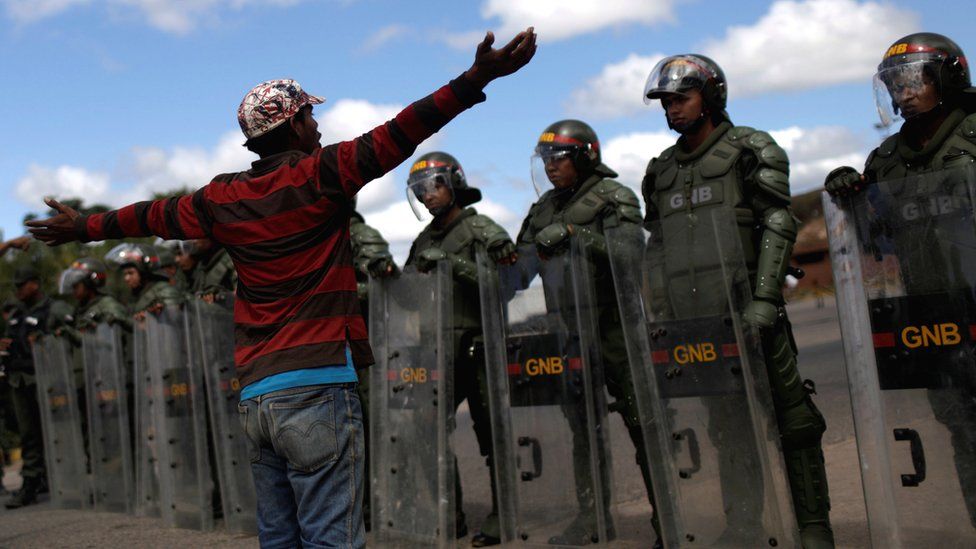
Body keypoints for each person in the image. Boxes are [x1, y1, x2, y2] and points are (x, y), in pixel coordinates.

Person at [26, 29, 536, 547]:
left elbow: (148, 216)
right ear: (293, 125)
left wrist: (83, 227)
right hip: (318, 385)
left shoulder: (221, 199)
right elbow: (404, 129)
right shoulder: (323, 174)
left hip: (256, 398)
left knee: (279, 537)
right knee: (330, 536)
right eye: (310, 117)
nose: (317, 126)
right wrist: (477, 77)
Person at [642, 54, 833, 547]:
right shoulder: (659, 170)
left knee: (794, 420)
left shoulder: (751, 148)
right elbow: (657, 246)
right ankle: (744, 524)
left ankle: (813, 528)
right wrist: (659, 311)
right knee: (727, 428)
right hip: (697, 322)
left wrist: (766, 298)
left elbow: (778, 220)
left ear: (711, 97)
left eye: (681, 98)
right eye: (665, 102)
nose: (671, 110)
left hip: (751, 308)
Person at [825, 32, 976, 530]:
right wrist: (851, 198)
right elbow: (878, 245)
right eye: (895, 82)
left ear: (947, 78)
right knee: (962, 432)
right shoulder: (885, 161)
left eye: (914, 79)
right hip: (935, 320)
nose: (903, 91)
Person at [519, 119, 653, 545]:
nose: (551, 167)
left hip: (617, 326)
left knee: (645, 422)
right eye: (546, 159)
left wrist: (579, 234)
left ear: (585, 155)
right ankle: (592, 518)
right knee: (583, 429)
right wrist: (499, 256)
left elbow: (631, 255)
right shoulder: (541, 210)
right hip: (570, 330)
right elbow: (519, 270)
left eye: (559, 157)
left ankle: (669, 516)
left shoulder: (614, 197)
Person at [404, 151, 516, 546]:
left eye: (433, 185)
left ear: (454, 183)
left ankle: (504, 515)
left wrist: (453, 263)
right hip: (435, 352)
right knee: (426, 432)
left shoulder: (481, 229)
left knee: (493, 435)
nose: (427, 195)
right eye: (419, 190)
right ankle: (448, 514)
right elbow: (408, 295)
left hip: (478, 346)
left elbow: (505, 282)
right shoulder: (421, 240)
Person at [1, 266, 73, 508]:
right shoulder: (16, 313)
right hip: (19, 381)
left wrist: (46, 341)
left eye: (21, 285)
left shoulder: (54, 309)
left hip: (47, 380)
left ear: (33, 284)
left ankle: (57, 480)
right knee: (28, 435)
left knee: (57, 432)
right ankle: (34, 481)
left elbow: (71, 337)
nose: (18, 291)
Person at [348, 200, 397, 531]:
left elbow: (387, 283)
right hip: (338, 350)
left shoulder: (359, 234)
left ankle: (383, 502)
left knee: (372, 427)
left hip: (369, 348)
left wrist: (341, 293)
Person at [105, 243, 183, 316]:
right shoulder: (136, 296)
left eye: (130, 273)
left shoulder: (163, 290)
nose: (126, 278)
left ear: (143, 273)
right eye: (125, 274)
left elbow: (176, 319)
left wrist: (156, 316)